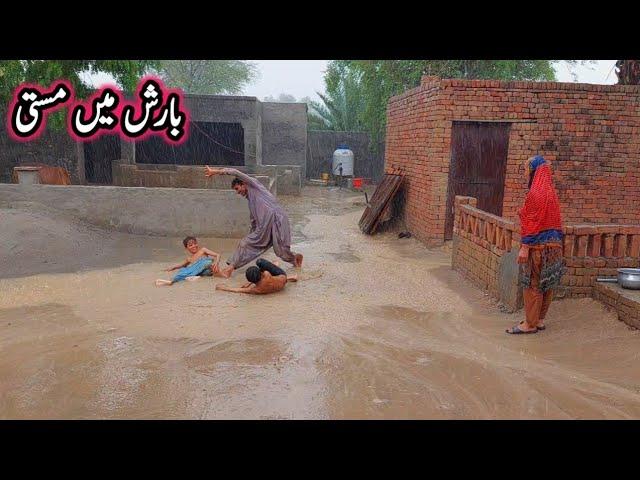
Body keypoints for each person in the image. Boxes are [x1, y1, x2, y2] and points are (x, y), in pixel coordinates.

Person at [204, 166, 303, 278]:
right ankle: (229, 269)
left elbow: (235, 172)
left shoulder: (254, 185)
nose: (237, 192)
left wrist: (215, 172)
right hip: (265, 227)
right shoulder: (250, 200)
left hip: (278, 220)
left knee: (281, 252)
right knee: (245, 243)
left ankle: (294, 259)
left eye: (237, 189)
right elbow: (254, 222)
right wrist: (251, 236)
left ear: (244, 184)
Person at [507, 155, 565, 334]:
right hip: (554, 247)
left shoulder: (535, 193)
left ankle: (529, 325)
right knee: (547, 284)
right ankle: (539, 320)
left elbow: (532, 222)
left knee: (533, 285)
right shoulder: (551, 193)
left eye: (526, 169)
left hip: (538, 247)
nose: (525, 174)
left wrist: (524, 247)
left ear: (533, 171)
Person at [155, 236, 222, 286]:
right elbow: (181, 265)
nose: (194, 246)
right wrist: (170, 268)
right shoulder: (189, 259)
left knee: (204, 261)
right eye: (190, 245)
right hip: (202, 273)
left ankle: (189, 277)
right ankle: (172, 281)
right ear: (186, 248)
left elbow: (218, 255)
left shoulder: (203, 250)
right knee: (183, 269)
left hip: (208, 268)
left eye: (195, 243)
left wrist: (217, 263)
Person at [215, 258, 298, 295]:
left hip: (280, 283)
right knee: (260, 262)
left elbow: (238, 290)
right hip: (282, 278)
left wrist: (223, 288)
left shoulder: (257, 290)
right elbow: (264, 271)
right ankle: (282, 270)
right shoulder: (266, 274)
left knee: (262, 264)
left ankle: (278, 267)